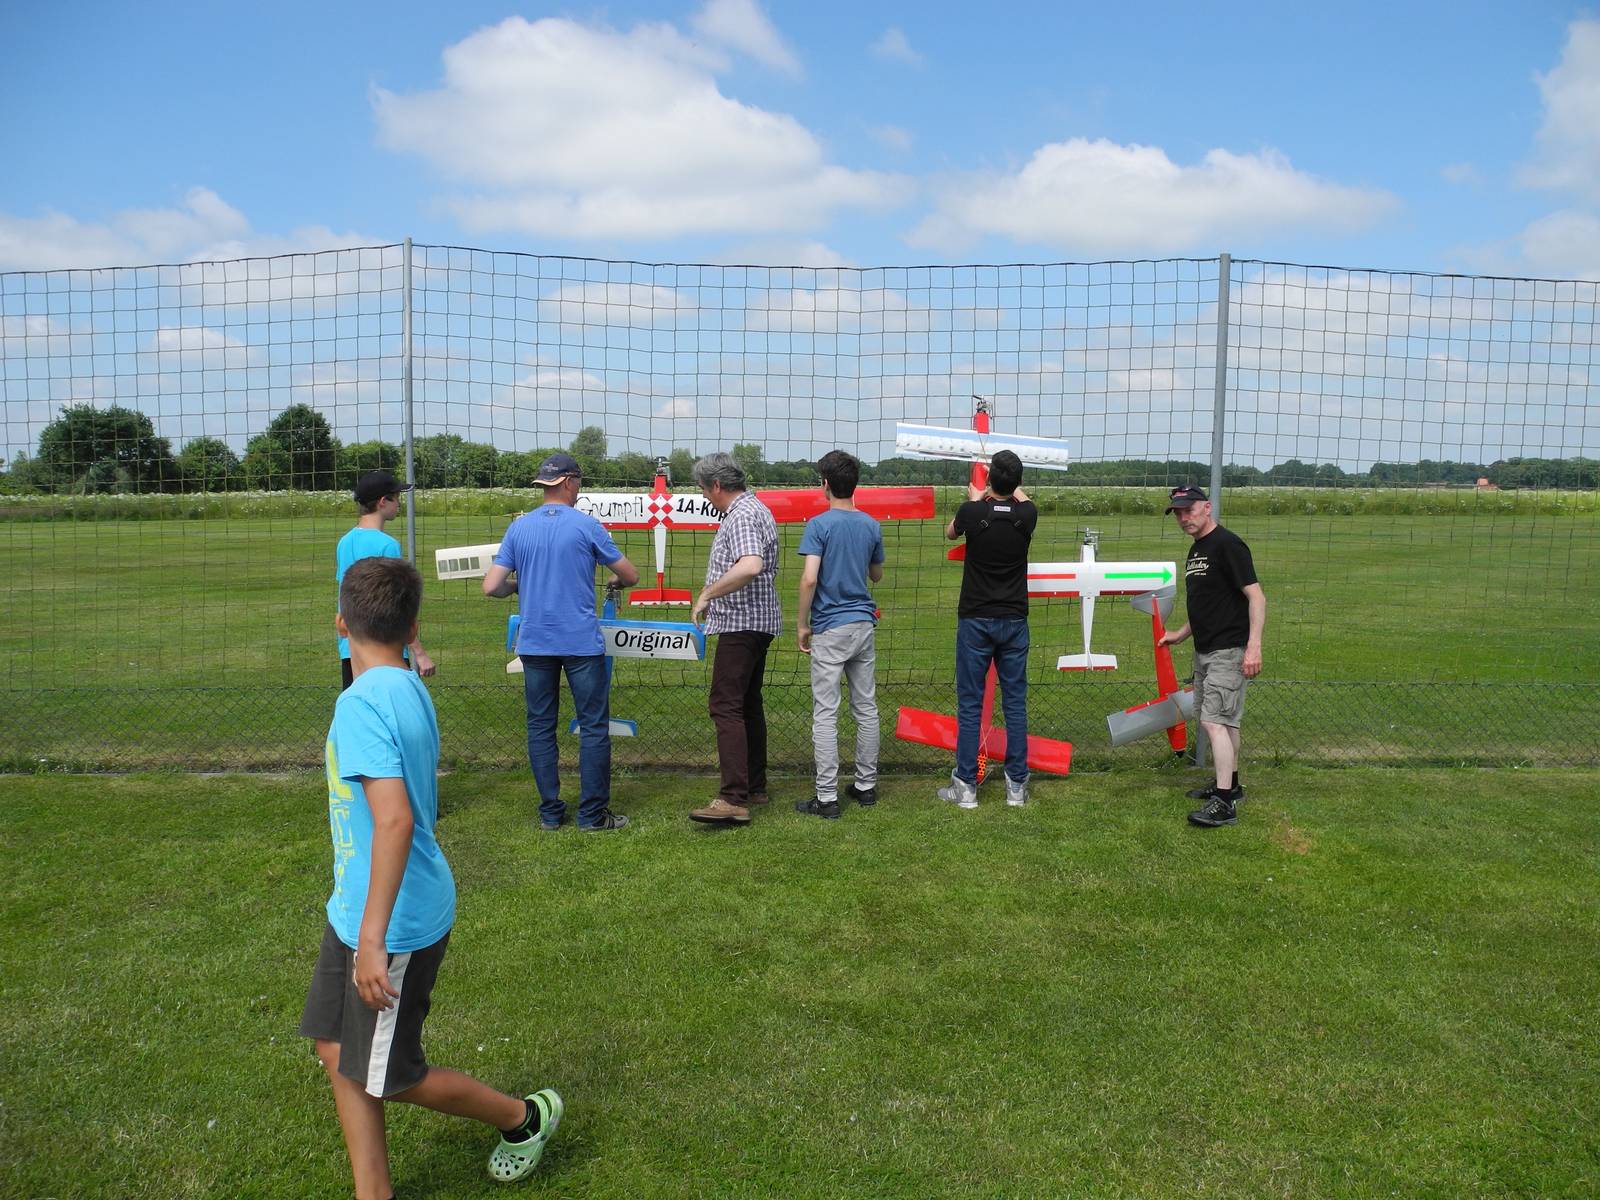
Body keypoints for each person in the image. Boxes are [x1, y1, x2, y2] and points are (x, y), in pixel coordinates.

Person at [301, 556, 561, 1198]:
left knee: (391, 1076)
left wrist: (371, 940)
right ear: (412, 628)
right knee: (334, 1046)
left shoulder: (362, 704)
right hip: (355, 907)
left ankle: (523, 1118)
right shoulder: (407, 682)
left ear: (340, 624)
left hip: (391, 922)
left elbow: (394, 820)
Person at [482, 453, 639, 831]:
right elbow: (630, 575)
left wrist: (520, 585)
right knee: (593, 726)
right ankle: (592, 815)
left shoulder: (519, 528)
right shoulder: (588, 526)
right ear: (569, 482)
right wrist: (616, 580)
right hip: (580, 641)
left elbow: (491, 586)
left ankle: (550, 813)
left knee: (540, 726)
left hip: (535, 642)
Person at [1157, 485, 1267, 828]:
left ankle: (1224, 805)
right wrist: (1181, 633)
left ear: (1206, 507)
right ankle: (1230, 786)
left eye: (1188, 510)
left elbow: (1257, 597)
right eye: (1177, 513)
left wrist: (1253, 646)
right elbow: (1208, 603)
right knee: (1224, 720)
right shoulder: (1197, 550)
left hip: (1228, 649)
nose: (1183, 518)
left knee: (1214, 721)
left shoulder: (1227, 544)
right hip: (1204, 649)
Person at [938, 450, 1036, 810]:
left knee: (970, 704)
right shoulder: (1027, 515)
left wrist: (978, 497)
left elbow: (950, 533)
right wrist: (1006, 489)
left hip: (976, 619)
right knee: (1015, 704)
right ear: (1018, 482)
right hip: (1014, 620)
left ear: (990, 479)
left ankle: (965, 786)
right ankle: (1016, 786)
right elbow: (1023, 499)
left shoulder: (972, 512)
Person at [688, 452, 780, 826]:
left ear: (716, 485)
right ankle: (754, 785)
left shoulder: (741, 514)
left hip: (741, 623)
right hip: (758, 621)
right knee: (747, 703)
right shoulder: (756, 508)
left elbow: (750, 564)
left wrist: (708, 594)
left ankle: (732, 797)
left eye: (702, 488)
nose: (703, 495)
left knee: (725, 704)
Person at [795, 449, 885, 819]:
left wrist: (802, 624)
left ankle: (827, 796)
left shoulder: (819, 525)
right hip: (862, 624)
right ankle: (865, 786)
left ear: (825, 484)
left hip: (830, 627)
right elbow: (876, 575)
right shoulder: (871, 525)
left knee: (826, 712)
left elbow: (809, 578)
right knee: (866, 707)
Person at [337, 469, 434, 690]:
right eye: (396, 498)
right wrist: (419, 653)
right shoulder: (387, 545)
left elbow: (344, 596)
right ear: (383, 502)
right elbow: (396, 606)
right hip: (386, 648)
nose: (399, 504)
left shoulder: (344, 542)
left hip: (351, 646)